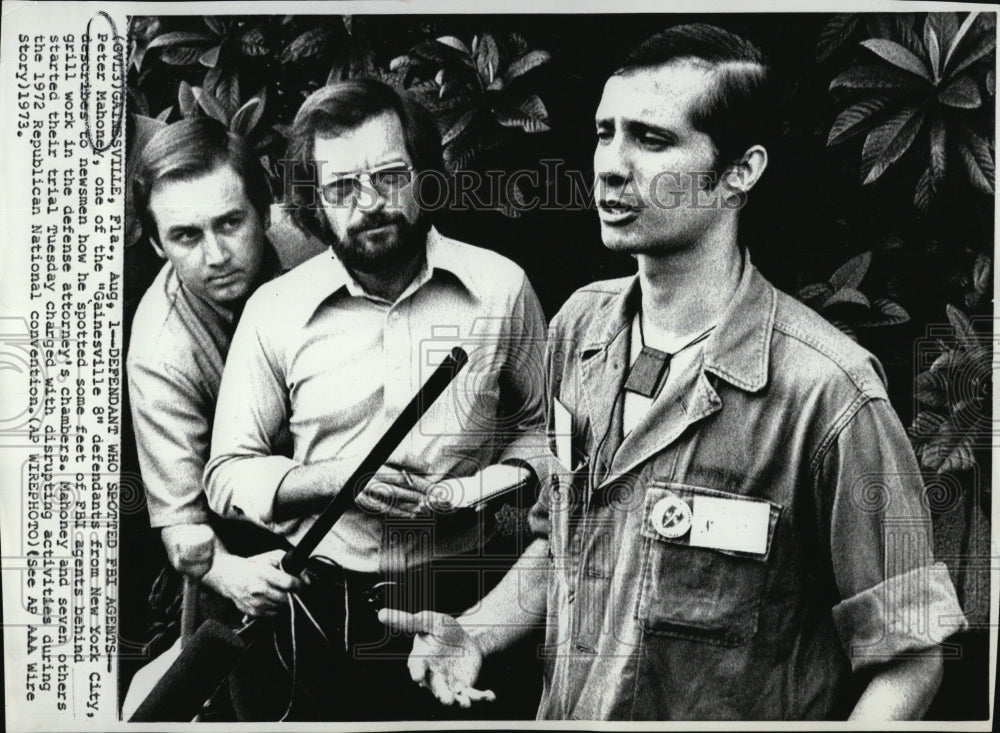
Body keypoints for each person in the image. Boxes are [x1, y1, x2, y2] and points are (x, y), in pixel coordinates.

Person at [382, 24, 967, 720]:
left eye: (652, 139)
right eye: (605, 132)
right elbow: (566, 539)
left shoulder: (828, 394)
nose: (610, 164)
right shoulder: (580, 328)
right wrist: (476, 630)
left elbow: (910, 658)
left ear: (741, 170)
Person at [203, 78, 554, 720]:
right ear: (312, 202)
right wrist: (329, 481)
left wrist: (490, 484)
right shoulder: (274, 312)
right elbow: (226, 474)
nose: (370, 203)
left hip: (474, 593)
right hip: (322, 597)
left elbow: (542, 430)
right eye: (341, 189)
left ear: (423, 176)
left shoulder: (502, 289)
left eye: (391, 176)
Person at [127, 119, 302, 644]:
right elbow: (183, 524)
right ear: (157, 245)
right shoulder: (160, 351)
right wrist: (233, 576)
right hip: (251, 532)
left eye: (230, 223)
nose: (216, 256)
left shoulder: (319, 245)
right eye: (185, 236)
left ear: (266, 213)